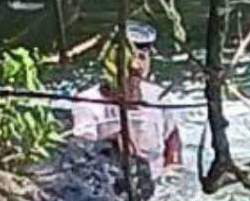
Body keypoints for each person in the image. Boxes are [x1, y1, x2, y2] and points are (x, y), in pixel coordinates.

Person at [70, 20, 183, 177]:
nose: (136, 66)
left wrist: (172, 166)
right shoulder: (88, 104)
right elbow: (84, 152)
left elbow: (171, 136)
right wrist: (115, 141)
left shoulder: (159, 97)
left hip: (155, 179)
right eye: (129, 59)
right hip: (113, 178)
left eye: (142, 58)